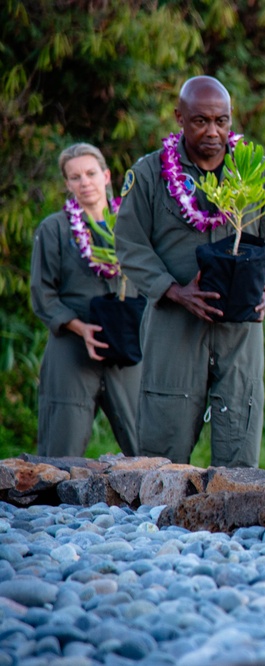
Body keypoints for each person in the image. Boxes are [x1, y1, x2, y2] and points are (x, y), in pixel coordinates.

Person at [115, 75, 265, 467]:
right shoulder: (150, 174)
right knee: (161, 454)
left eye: (222, 121)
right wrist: (173, 290)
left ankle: (235, 528)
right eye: (201, 121)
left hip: (240, 330)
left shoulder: (255, 172)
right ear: (180, 118)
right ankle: (155, 526)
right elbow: (130, 245)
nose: (213, 131)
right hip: (174, 325)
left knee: (239, 448)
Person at [30, 143, 141, 458]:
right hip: (72, 347)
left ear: (106, 176)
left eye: (91, 173)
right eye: (75, 177)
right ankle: (52, 509)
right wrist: (80, 329)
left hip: (127, 346)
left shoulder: (133, 227)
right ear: (67, 184)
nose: (85, 182)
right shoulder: (54, 229)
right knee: (59, 453)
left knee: (147, 449)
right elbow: (43, 294)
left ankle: (156, 508)